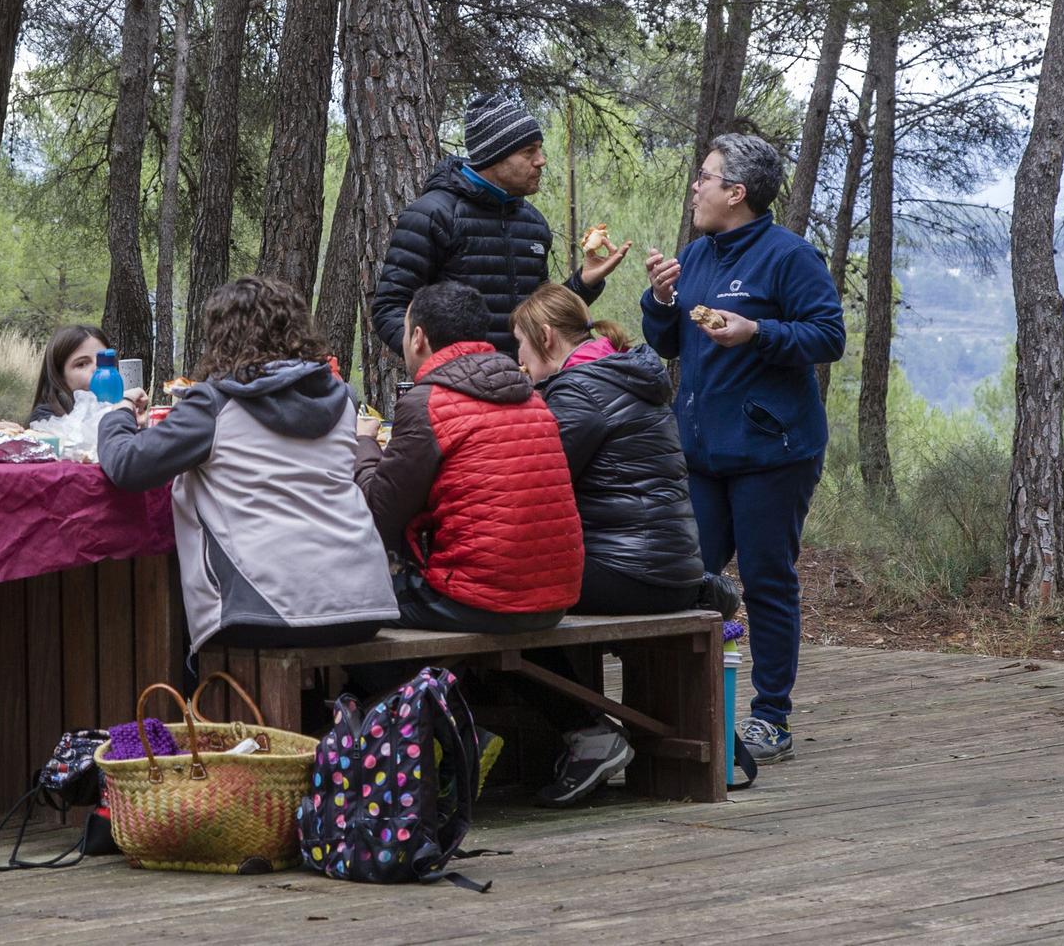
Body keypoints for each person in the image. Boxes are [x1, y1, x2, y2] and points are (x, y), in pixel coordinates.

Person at [641, 132, 845, 765]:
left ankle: (770, 719)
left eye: (705, 177)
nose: (695, 186)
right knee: (687, 578)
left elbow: (828, 335)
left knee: (766, 580)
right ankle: (678, 710)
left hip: (772, 452)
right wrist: (661, 300)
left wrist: (758, 331)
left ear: (737, 192)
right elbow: (670, 344)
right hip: (701, 453)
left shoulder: (789, 257)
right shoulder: (695, 255)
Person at [509, 283, 738, 805]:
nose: (518, 361)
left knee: (499, 599)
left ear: (546, 338)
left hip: (627, 569)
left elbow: (538, 484)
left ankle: (588, 733)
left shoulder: (578, 391)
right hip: (669, 565)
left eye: (520, 346)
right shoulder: (622, 374)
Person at [96, 276, 397, 655]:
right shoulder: (342, 399)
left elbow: (127, 465)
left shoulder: (214, 404)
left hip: (261, 609)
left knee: (172, 647)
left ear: (222, 336)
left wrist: (117, 412)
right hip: (365, 604)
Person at [353, 281, 584, 633]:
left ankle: (398, 690)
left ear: (418, 337)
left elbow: (378, 512)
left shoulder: (428, 401)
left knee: (354, 602)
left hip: (479, 602)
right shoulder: (529, 394)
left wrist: (363, 444)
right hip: (555, 599)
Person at [372, 88, 627, 359]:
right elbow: (389, 308)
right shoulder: (433, 215)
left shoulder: (533, 223)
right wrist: (442, 367)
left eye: (539, 149)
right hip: (455, 392)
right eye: (529, 152)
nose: (541, 161)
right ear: (493, 158)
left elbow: (540, 316)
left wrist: (584, 282)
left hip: (523, 388)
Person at [28, 324, 108, 424]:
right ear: (59, 375)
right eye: (82, 364)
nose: (97, 369)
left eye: (105, 360)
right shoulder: (45, 417)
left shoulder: (125, 405)